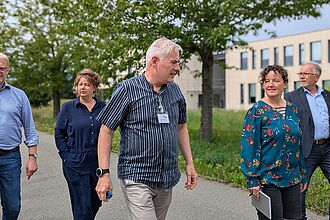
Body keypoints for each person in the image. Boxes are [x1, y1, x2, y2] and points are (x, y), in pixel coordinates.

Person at [95, 37, 197, 220]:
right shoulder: (127, 90)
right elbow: (106, 130)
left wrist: (189, 163)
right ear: (155, 62)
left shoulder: (175, 91)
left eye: (178, 63)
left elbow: (181, 126)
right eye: (173, 62)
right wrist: (103, 174)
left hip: (166, 179)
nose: (178, 68)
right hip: (137, 177)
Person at [240, 64, 307, 220]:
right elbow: (249, 147)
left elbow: (299, 144)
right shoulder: (256, 111)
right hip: (267, 179)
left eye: (275, 80)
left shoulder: (293, 109)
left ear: (284, 83)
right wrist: (253, 179)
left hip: (292, 177)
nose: (270, 84)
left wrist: (302, 173)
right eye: (266, 80)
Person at [54, 68, 105, 220]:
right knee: (82, 206)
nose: (82, 87)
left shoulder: (103, 108)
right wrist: (66, 156)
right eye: (80, 84)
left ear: (94, 88)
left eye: (87, 84)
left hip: (96, 161)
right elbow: (59, 133)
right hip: (75, 161)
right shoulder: (68, 108)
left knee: (95, 201)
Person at [285, 62, 330, 220]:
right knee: (300, 188)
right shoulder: (291, 97)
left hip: (327, 148)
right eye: (301, 74)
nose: (301, 77)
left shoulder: (327, 95)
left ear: (316, 77)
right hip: (306, 149)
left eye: (306, 74)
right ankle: (300, 218)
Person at [0, 52, 39, 219]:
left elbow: (29, 128)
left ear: (8, 70)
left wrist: (32, 156)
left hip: (10, 157)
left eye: (2, 68)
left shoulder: (19, 95)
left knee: (13, 207)